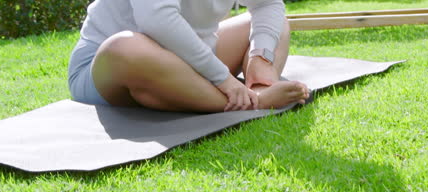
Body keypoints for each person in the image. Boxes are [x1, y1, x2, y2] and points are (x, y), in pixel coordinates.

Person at [67, 0, 310, 112]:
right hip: (105, 67)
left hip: (189, 58)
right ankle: (255, 102)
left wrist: (262, 58)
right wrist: (222, 79)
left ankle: (258, 87)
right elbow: (157, 20)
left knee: (277, 26)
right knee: (123, 47)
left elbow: (267, 5)